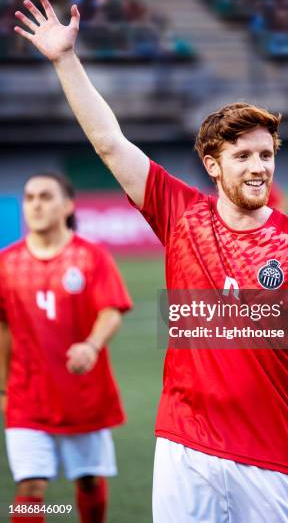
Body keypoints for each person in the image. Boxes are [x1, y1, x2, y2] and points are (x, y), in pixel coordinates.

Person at [13, 0, 288, 523]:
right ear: (212, 164)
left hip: (271, 455)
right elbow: (110, 143)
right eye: (242, 155)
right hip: (185, 448)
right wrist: (66, 59)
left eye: (266, 154)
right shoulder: (179, 212)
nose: (258, 167)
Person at [0, 172, 132, 523]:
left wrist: (91, 345)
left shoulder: (91, 258)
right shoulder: (6, 264)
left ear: (68, 205)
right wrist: (2, 387)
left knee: (88, 481)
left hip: (83, 393)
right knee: (29, 487)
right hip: (27, 394)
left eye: (45, 196)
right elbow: (3, 329)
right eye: (29, 197)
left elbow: (111, 310)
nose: (36, 204)